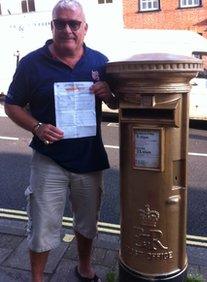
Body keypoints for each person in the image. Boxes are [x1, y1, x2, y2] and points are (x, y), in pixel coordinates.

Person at [4, 1, 118, 281]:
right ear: (52, 26)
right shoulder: (32, 63)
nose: (67, 29)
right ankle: (37, 278)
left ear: (85, 28)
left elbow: (117, 105)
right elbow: (12, 104)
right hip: (49, 159)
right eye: (60, 23)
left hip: (89, 159)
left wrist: (109, 95)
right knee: (42, 224)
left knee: (87, 222)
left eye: (74, 24)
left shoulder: (100, 63)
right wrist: (37, 127)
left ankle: (85, 267)